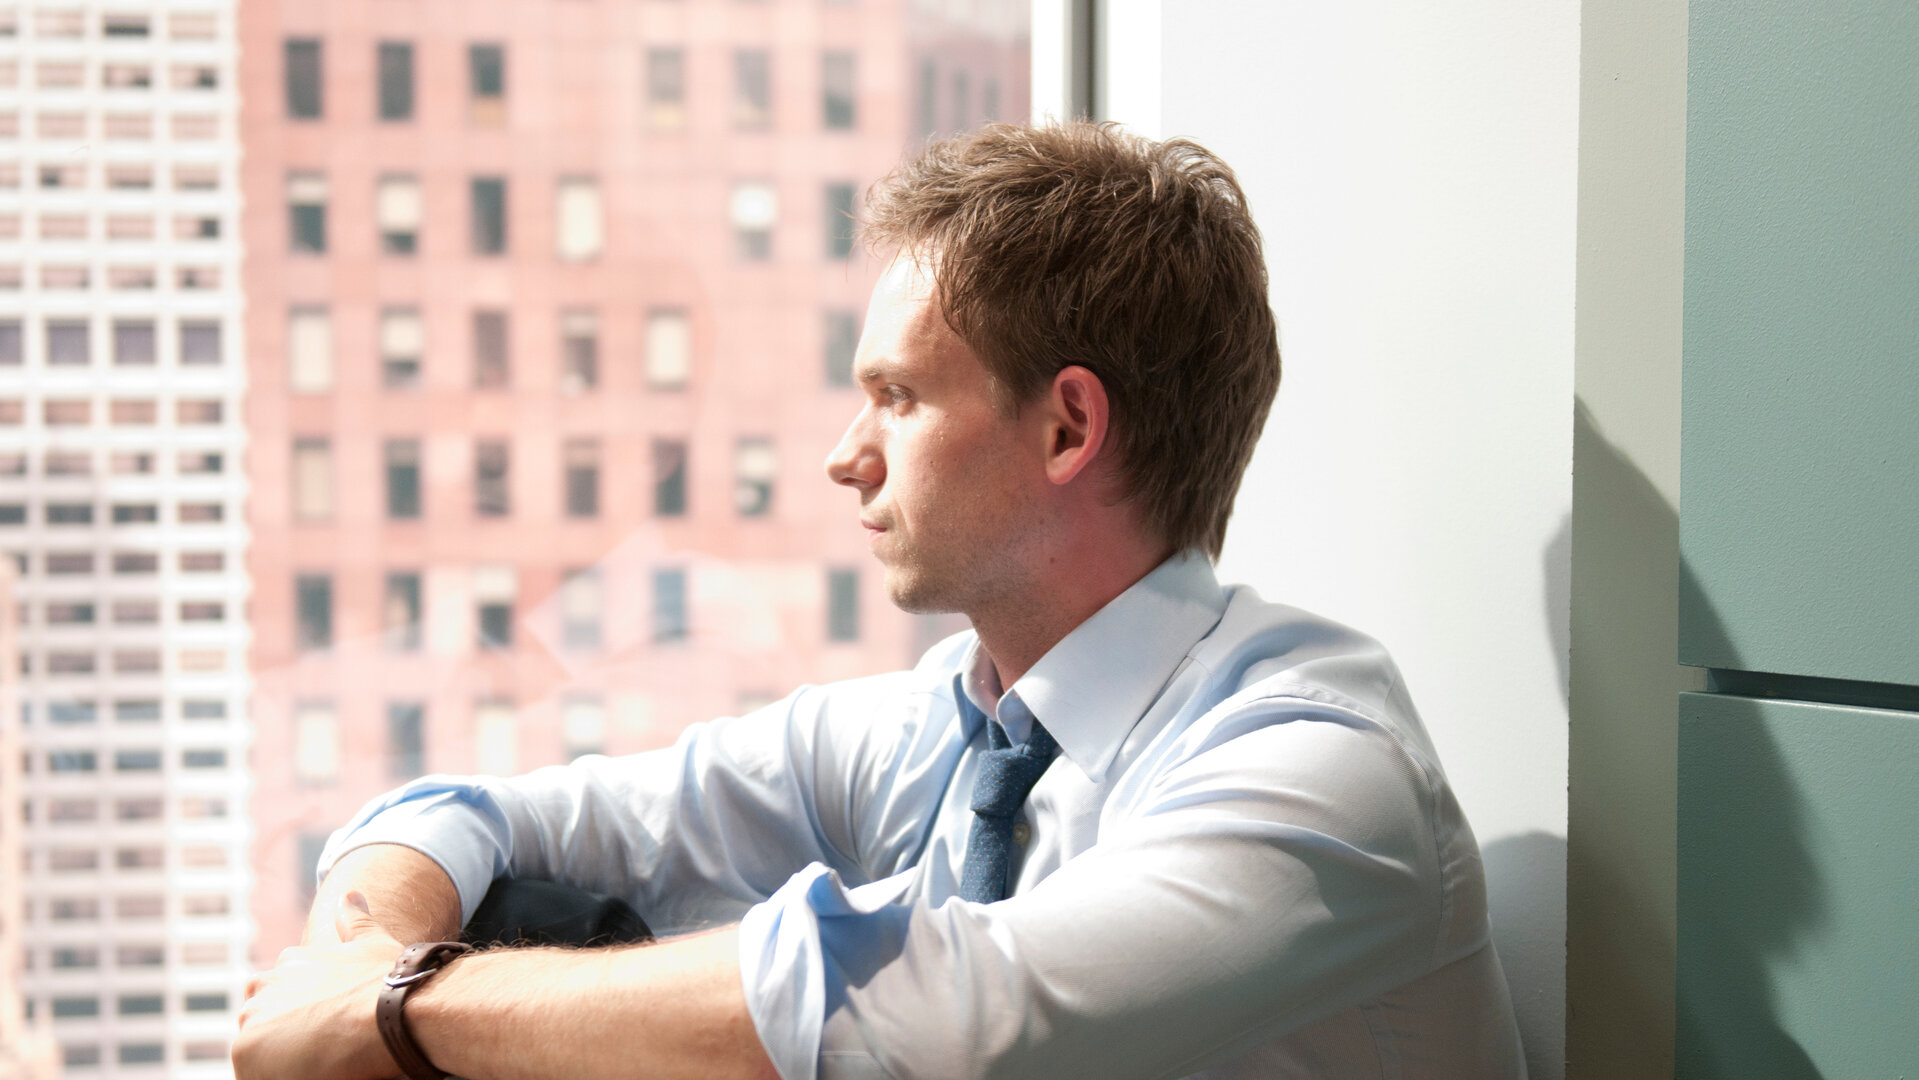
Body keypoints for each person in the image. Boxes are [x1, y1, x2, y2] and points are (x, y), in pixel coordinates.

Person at [234, 122, 1525, 1080]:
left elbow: (948, 1014)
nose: (847, 453)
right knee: (529, 910)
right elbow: (474, 819)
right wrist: (362, 969)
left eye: (898, 398)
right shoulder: (948, 732)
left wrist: (392, 1010)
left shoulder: (1323, 775)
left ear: (1069, 425)